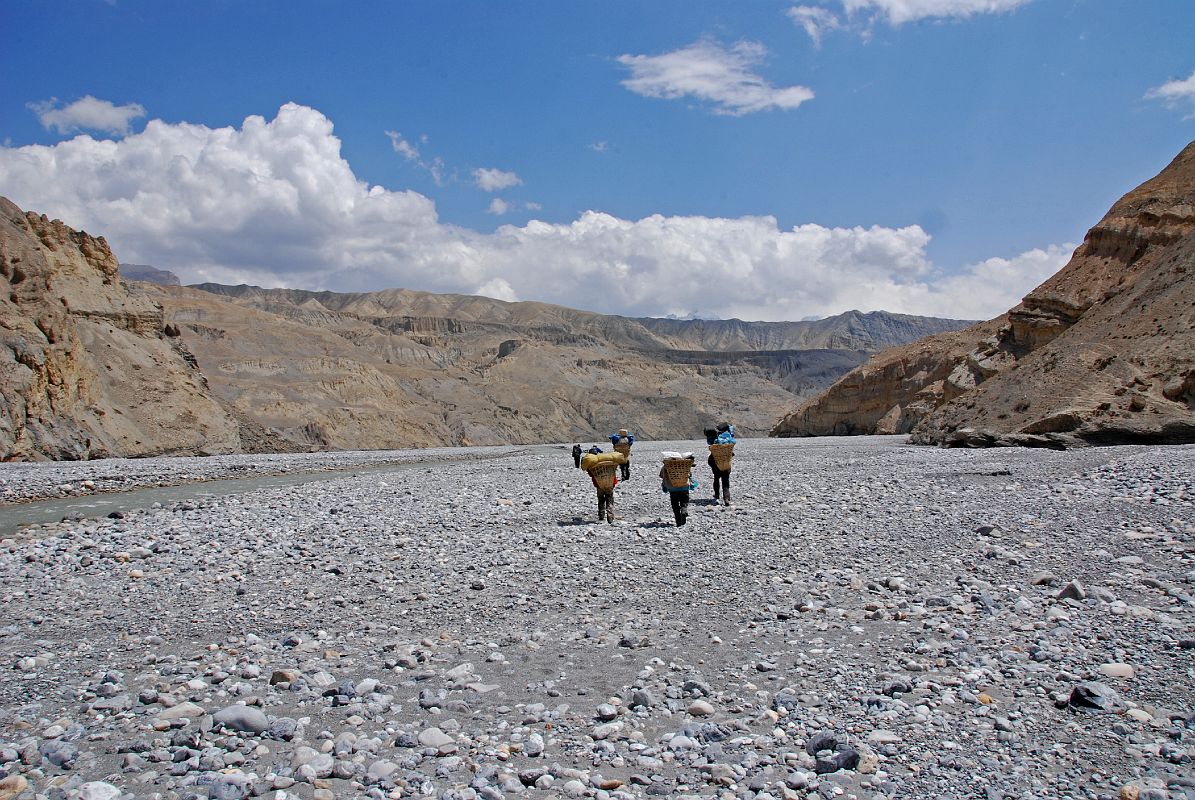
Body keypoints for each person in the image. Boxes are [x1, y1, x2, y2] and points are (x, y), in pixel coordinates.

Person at [659, 454, 697, 527]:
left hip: (672, 489)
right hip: (684, 487)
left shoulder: (666, 466)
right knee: (684, 500)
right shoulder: (684, 465)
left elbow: (661, 475)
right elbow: (690, 475)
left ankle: (678, 522)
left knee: (675, 505)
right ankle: (684, 509)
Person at [705, 424, 734, 506]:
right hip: (726, 463)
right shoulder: (729, 442)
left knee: (716, 478)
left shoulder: (713, 441)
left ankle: (717, 495)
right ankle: (726, 498)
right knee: (725, 481)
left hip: (715, 463)